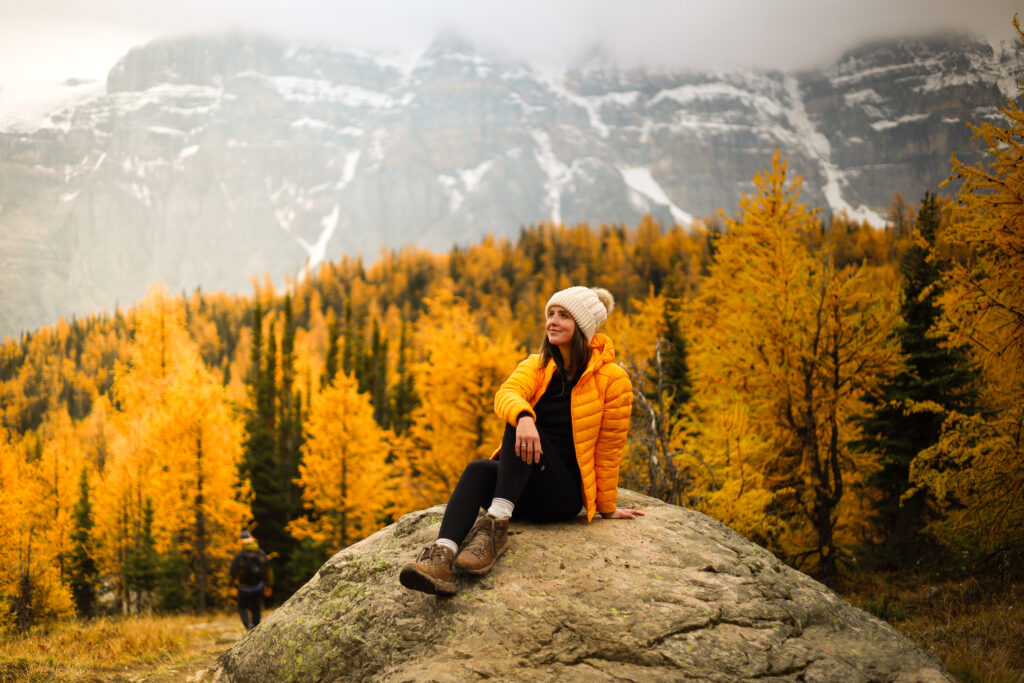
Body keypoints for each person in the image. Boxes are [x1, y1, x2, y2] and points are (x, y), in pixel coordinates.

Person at [400, 285, 643, 596]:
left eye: (564, 316)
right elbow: (507, 395)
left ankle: (494, 530)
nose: (553, 321)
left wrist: (608, 507)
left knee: (522, 424)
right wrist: (525, 417)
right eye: (551, 314)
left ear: (583, 327)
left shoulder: (612, 380)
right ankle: (441, 558)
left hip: (561, 496)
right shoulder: (537, 365)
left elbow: (609, 448)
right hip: (521, 488)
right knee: (481, 465)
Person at [229, 530, 273, 629]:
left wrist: (231, 584)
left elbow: (232, 573)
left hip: (244, 588)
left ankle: (248, 625)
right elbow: (269, 571)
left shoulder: (240, 555)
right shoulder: (261, 553)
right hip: (258, 587)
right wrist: (269, 586)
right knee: (256, 609)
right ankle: (256, 629)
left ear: (242, 541)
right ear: (251, 539)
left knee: (241, 608)